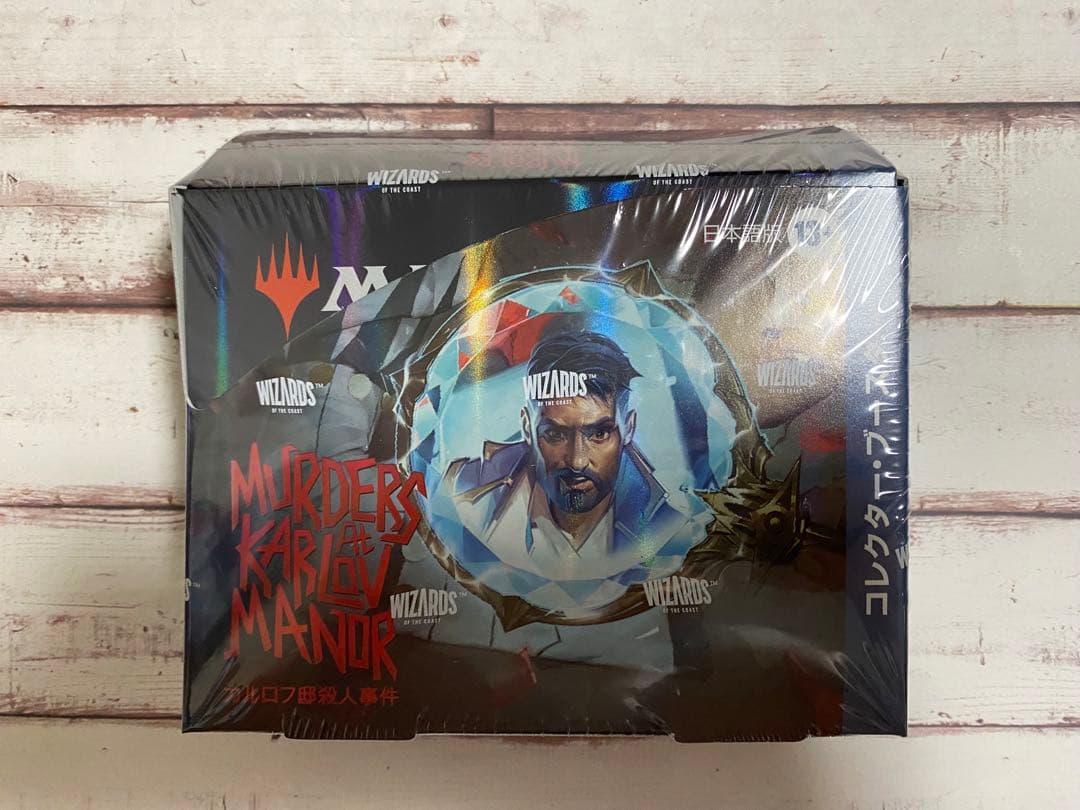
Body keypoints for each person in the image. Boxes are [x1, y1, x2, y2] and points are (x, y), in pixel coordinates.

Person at [442, 330, 697, 607]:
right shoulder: (462, 494)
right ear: (527, 427)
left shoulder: (672, 530)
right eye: (555, 434)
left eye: (599, 434)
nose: (577, 461)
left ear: (629, 428)